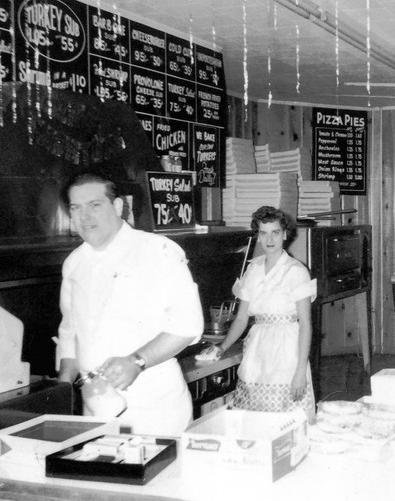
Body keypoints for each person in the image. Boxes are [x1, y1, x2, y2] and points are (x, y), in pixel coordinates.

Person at [55, 170, 204, 436]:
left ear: (118, 206)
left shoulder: (158, 251)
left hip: (154, 408)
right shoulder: (74, 263)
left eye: (95, 206)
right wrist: (62, 389)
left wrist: (137, 361)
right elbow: (70, 331)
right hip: (95, 407)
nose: (84, 217)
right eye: (76, 208)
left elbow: (188, 325)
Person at [202, 206, 316, 419]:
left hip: (287, 352)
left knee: (286, 419)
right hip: (257, 351)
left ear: (285, 234)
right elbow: (242, 318)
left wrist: (300, 371)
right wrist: (221, 347)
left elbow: (306, 324)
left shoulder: (296, 271)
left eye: (275, 232)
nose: (269, 239)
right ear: (258, 236)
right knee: (253, 418)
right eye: (263, 233)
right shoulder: (253, 269)